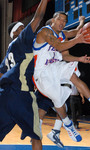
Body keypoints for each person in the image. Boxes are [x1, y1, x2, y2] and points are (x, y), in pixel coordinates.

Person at [33, 11, 90, 143]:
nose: (62, 23)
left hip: (54, 67)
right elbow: (58, 45)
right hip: (42, 74)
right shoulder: (45, 32)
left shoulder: (63, 34)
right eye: (60, 20)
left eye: (64, 21)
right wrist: (77, 40)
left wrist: (80, 58)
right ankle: (67, 125)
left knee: (72, 75)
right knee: (59, 102)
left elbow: (77, 33)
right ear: (53, 19)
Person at [0, 0, 48, 150]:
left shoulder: (8, 53)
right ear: (14, 33)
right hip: (22, 95)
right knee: (36, 136)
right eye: (21, 28)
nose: (24, 28)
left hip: (4, 96)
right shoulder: (21, 41)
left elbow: (1, 74)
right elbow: (38, 17)